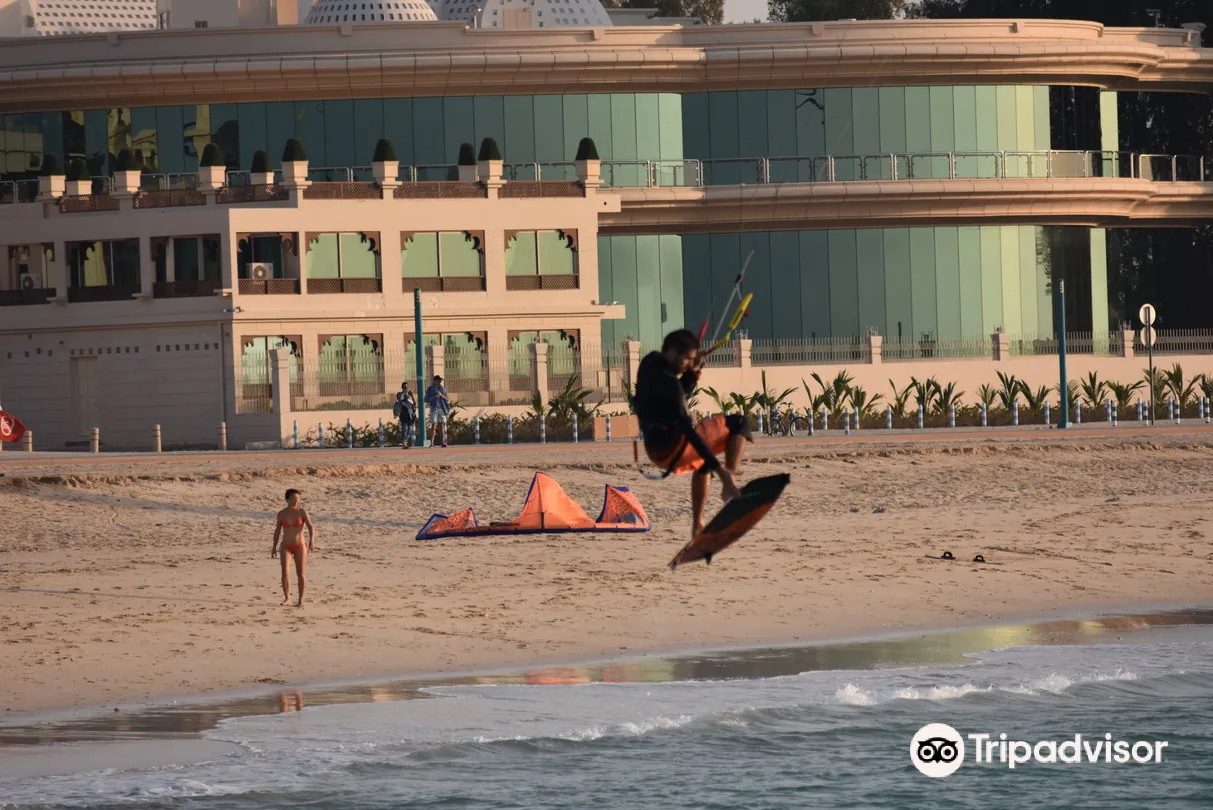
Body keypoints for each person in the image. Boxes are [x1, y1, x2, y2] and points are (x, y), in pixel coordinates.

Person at [633, 329, 751, 539]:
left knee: (701, 460)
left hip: (655, 451)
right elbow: (689, 430)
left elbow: (674, 395)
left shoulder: (649, 363)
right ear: (671, 352)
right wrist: (722, 473)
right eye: (686, 359)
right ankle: (730, 484)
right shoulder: (669, 384)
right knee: (739, 423)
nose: (689, 363)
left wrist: (693, 372)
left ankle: (698, 525)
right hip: (675, 447)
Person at [271, 488, 315, 607]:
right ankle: (287, 598)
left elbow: (311, 527)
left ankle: (300, 600)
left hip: (300, 546)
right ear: (287, 499)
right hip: (286, 546)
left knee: (300, 573)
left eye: (298, 499)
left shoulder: (302, 512)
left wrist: (312, 541)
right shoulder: (281, 514)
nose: (296, 501)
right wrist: (274, 547)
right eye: (293, 499)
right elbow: (277, 531)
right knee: (285, 571)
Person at [424, 374, 450, 448]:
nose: (439, 381)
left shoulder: (443, 389)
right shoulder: (430, 389)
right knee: (433, 426)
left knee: (441, 426)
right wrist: (434, 397)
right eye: (438, 380)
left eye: (440, 380)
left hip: (442, 408)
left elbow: (447, 399)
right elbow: (425, 399)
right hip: (434, 408)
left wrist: (441, 396)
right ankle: (432, 443)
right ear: (434, 381)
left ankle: (443, 442)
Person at [395, 382, 417, 448]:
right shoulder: (400, 394)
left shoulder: (410, 395)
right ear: (402, 388)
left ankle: (406, 441)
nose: (406, 388)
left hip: (410, 414)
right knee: (404, 428)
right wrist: (405, 393)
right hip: (403, 413)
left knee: (409, 429)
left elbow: (415, 403)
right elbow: (400, 400)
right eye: (404, 387)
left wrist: (412, 395)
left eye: (407, 387)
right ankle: (404, 442)